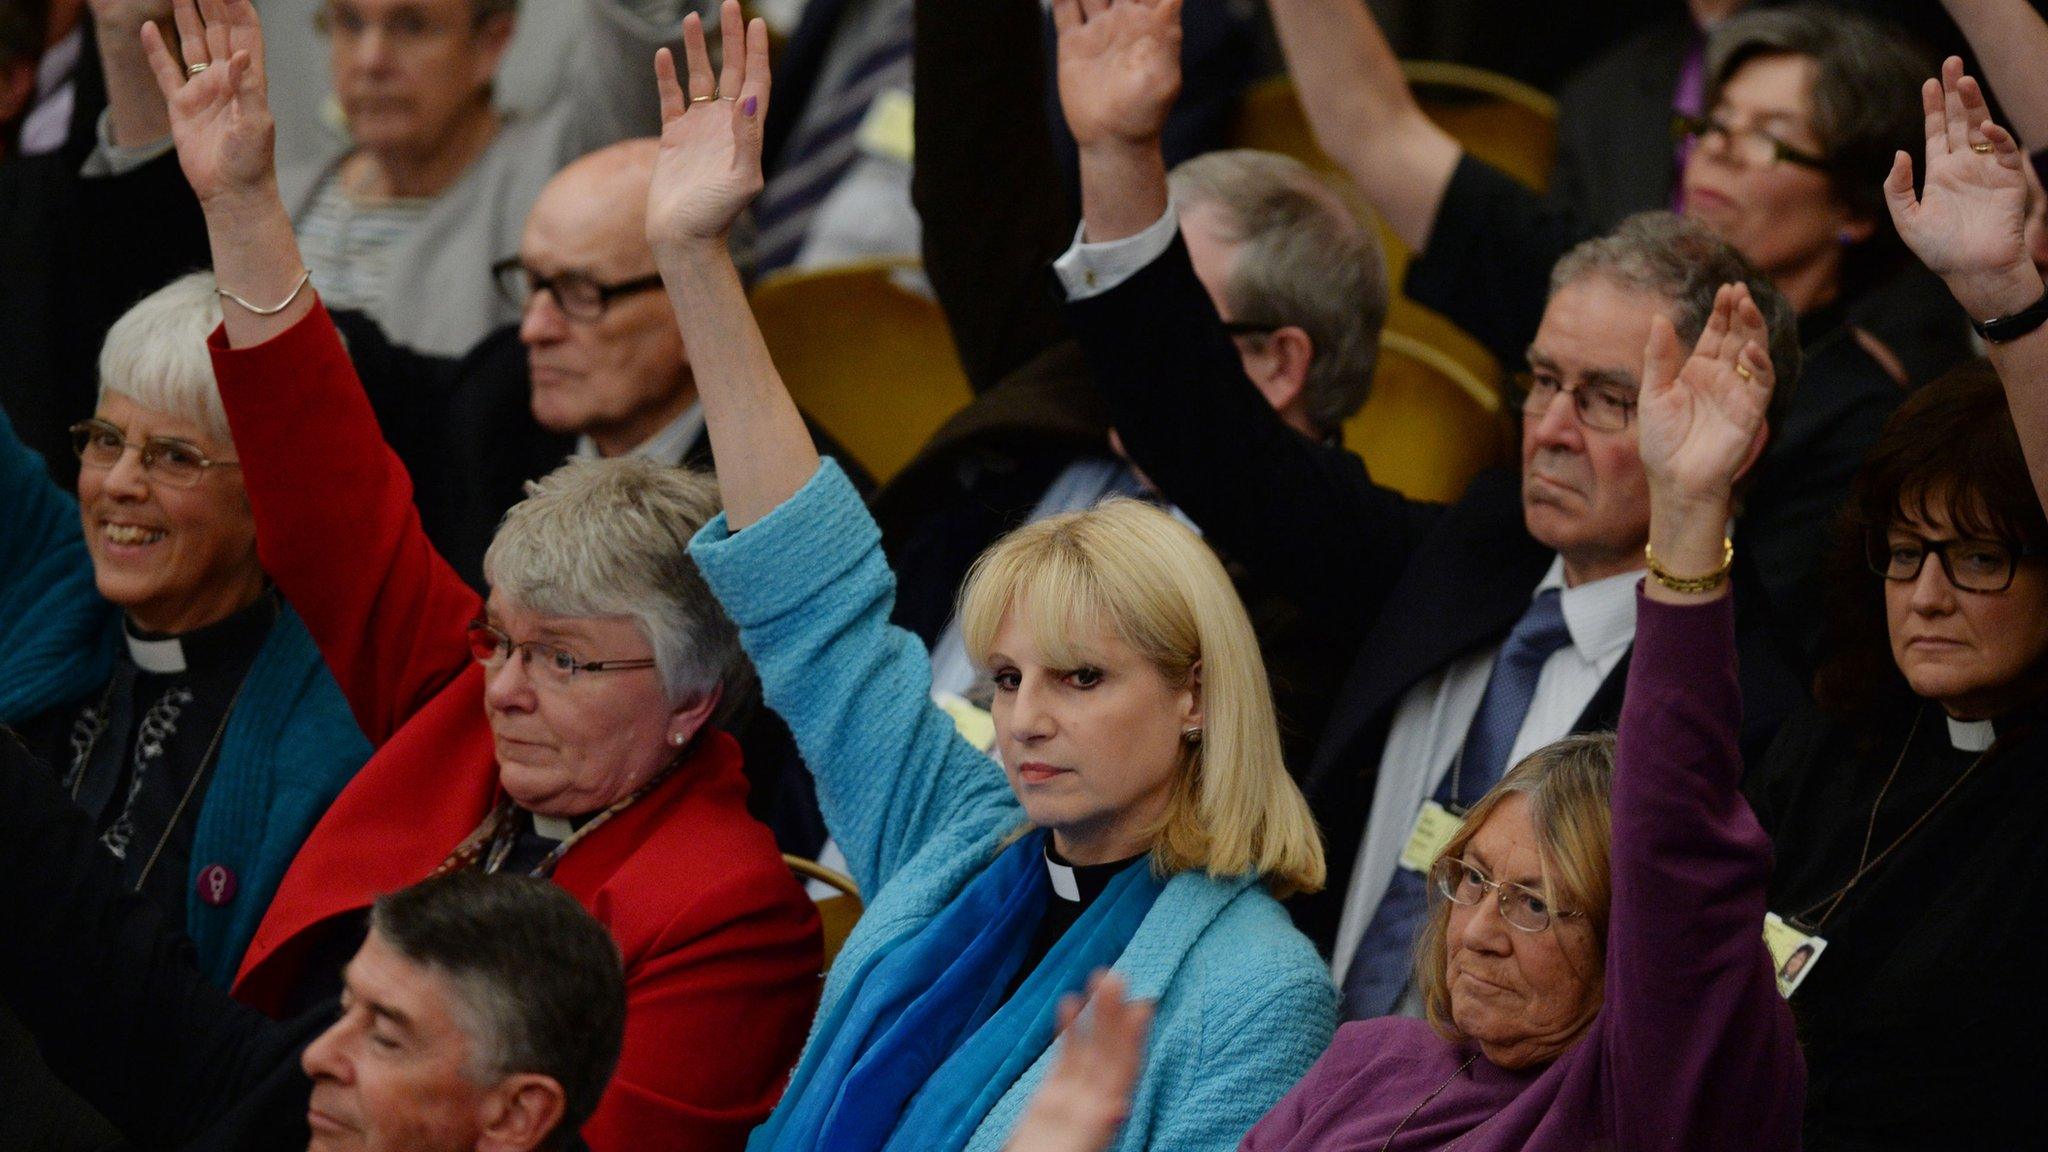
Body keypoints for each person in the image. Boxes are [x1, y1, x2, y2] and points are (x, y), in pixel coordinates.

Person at [140, 4, 821, 1148]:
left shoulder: (726, 907)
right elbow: (326, 503)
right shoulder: (463, 706)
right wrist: (244, 203)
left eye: (562, 659)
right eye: (501, 641)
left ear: (690, 697)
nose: (504, 687)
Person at [654, 8, 1337, 1149]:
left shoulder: (1262, 993)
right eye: (1008, 678)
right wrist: (694, 259)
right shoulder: (960, 830)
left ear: (1197, 696)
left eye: (1077, 679)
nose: (1021, 718)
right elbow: (813, 603)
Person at [1050, 0, 1806, 1018]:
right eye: (1540, 383)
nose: (1550, 427)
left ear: (1729, 439)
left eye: (1607, 401)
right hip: (1271, 1070)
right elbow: (1206, 439)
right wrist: (1118, 152)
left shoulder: (1745, 705)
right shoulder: (1465, 559)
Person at [1000, 251, 1806, 1152]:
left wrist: (1688, 514)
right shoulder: (1366, 1065)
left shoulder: (1751, 732)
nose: (1480, 932)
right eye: (1468, 880)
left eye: (1538, 902)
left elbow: (1677, 867)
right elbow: (1229, 457)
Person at [1269, 0, 1957, 664]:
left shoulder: (1855, 421)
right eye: (1713, 123)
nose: (1716, 153)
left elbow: (1765, 664)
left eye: (1768, 137)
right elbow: (1372, 128)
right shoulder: (1601, 305)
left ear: (1857, 208)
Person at [888, 0, 1383, 777]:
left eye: (1164, 310)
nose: (1123, 334)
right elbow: (974, 185)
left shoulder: (1314, 597)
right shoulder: (1064, 395)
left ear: (1280, 364)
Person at [0, 728, 628, 1152]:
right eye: (344, 1007)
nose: (317, 1056)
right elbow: (116, 975)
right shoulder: (291, 1098)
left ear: (517, 1115)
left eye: (384, 1035)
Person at [0, 271, 367, 985]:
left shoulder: (326, 739)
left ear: (273, 491)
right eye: (106, 441)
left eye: (174, 457)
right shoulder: (54, 582)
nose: (119, 483)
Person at [91, 0, 713, 356]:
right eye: (349, 23)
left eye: (412, 26)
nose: (371, 61)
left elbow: (648, 39)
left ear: (492, 42)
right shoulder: (283, 188)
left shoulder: (561, 167)